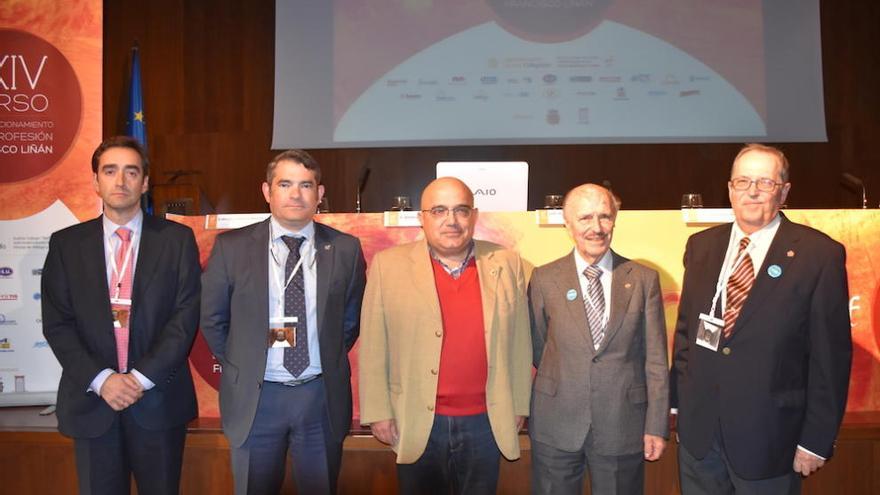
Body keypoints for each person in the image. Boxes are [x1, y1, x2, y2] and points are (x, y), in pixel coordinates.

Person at [670, 143, 852, 494]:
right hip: (700, 439)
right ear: (729, 189)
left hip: (771, 441)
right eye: (742, 182)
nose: (752, 192)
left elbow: (831, 360)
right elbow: (686, 333)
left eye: (765, 183)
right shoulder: (701, 247)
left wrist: (816, 440)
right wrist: (679, 404)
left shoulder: (819, 255)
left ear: (784, 191)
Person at [200, 149, 366, 495]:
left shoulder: (346, 249)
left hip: (318, 397)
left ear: (319, 194)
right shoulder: (232, 247)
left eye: (306, 185)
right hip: (257, 398)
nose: (295, 194)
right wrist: (244, 362)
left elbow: (350, 320)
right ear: (267, 191)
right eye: (285, 184)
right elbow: (213, 319)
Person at [41, 136, 201, 494]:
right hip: (92, 402)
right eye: (109, 171)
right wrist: (103, 380)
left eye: (132, 172)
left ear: (145, 183)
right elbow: (57, 323)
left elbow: (184, 317)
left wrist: (139, 379)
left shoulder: (177, 240)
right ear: (95, 180)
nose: (120, 181)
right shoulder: (66, 244)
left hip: (158, 401)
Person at [358, 177, 532, 494]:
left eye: (461, 210)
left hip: (486, 421)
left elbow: (521, 342)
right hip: (417, 419)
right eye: (439, 211)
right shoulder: (389, 266)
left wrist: (519, 403)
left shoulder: (507, 263)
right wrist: (378, 412)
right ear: (422, 218)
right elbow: (373, 344)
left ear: (474, 216)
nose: (451, 221)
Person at [528, 184, 669, 495]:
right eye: (585, 218)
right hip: (557, 423)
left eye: (605, 217)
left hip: (623, 424)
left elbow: (656, 359)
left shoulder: (644, 280)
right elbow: (539, 347)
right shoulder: (544, 278)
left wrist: (656, 425)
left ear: (615, 220)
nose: (597, 228)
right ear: (567, 223)